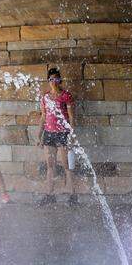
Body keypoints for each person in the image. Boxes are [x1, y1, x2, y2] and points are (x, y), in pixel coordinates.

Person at [38, 67, 77, 205]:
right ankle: (50, 194)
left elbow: (72, 117)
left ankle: (72, 195)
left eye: (56, 79)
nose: (54, 82)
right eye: (51, 79)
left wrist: (71, 135)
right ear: (48, 81)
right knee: (50, 165)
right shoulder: (45, 97)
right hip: (49, 133)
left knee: (66, 165)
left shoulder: (66, 96)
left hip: (63, 133)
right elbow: (43, 116)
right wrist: (39, 134)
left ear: (60, 80)